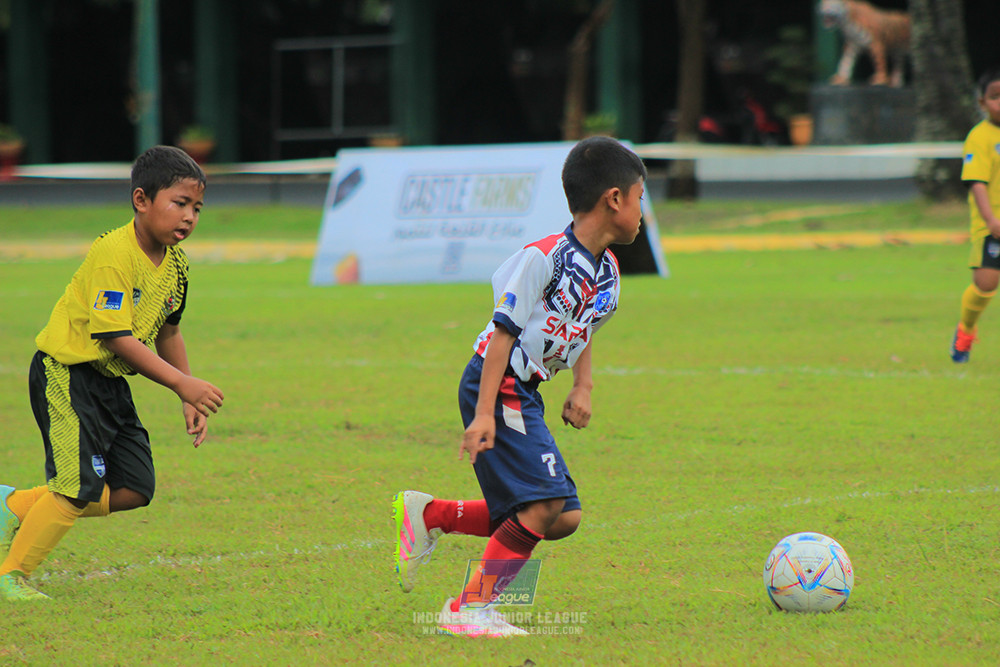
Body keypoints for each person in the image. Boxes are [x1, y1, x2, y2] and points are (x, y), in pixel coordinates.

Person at [392, 136, 647, 637]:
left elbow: (584, 326)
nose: (643, 212)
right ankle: (468, 608)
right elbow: (503, 333)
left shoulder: (609, 270)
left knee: (563, 517)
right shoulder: (543, 258)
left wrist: (584, 385)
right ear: (614, 199)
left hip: (525, 389)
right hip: (500, 380)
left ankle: (431, 514)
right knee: (542, 504)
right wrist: (485, 412)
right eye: (641, 197)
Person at [0, 145, 225, 600]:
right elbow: (115, 336)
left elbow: (168, 332)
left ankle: (12, 505)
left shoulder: (177, 266)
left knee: (135, 487)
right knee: (75, 487)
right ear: (141, 200)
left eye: (197, 208)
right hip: (67, 374)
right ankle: (12, 576)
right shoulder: (113, 255)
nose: (189, 217)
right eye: (179, 203)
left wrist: (186, 393)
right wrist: (181, 382)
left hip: (108, 384)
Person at [952, 68, 1000, 362]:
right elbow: (976, 183)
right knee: (986, 284)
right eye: (996, 97)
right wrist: (991, 220)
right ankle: (966, 329)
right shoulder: (980, 138)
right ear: (982, 103)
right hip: (993, 226)